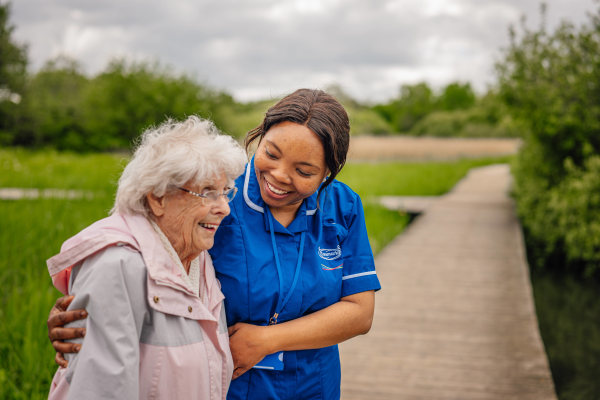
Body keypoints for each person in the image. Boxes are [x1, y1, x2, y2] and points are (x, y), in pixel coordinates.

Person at [48, 89, 381, 399]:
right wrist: (93, 315)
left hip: (314, 383)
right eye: (271, 153)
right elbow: (147, 252)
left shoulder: (342, 206)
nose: (279, 175)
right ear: (259, 137)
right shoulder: (218, 195)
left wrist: (265, 340)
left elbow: (359, 313)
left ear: (328, 174)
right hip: (231, 386)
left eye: (304, 171)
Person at [45, 116, 247, 399]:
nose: (224, 208)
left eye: (225, 192)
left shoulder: (197, 256)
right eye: (207, 193)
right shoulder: (115, 266)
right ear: (158, 197)